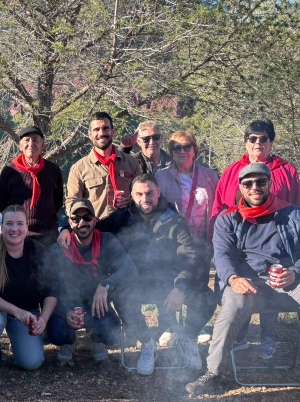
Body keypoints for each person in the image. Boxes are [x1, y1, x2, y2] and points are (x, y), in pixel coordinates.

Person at [185, 163, 300, 402]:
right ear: (240, 187)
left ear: (269, 183)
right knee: (233, 301)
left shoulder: (293, 214)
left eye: (260, 182)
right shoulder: (228, 218)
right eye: (248, 183)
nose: (255, 187)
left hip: (286, 284)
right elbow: (221, 257)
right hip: (247, 285)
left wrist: (293, 273)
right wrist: (232, 279)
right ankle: (214, 373)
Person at [212, 120, 300, 357]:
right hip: (239, 245)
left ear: (271, 142)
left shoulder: (286, 171)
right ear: (246, 142)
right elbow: (219, 207)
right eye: (253, 138)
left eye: (263, 138)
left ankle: (268, 337)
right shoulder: (232, 171)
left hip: (279, 246)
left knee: (273, 280)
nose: (258, 143)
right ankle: (239, 337)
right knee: (242, 284)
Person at [97, 174, 200, 374]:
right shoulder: (122, 217)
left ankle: (178, 337)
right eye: (140, 194)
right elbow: (93, 229)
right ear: (132, 196)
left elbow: (190, 256)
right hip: (133, 281)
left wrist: (180, 287)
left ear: (158, 193)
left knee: (202, 294)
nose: (145, 199)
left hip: (167, 282)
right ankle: (148, 343)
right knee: (122, 297)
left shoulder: (174, 220)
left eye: (150, 193)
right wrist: (66, 230)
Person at [48, 199, 138, 364]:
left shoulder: (107, 240)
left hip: (96, 303)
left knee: (112, 332)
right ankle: (67, 342)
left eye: (87, 217)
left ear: (95, 220)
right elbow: (50, 287)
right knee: (56, 332)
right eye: (76, 218)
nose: (82, 222)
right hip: (69, 303)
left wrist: (105, 285)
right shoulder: (59, 249)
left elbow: (129, 269)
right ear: (70, 222)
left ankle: (97, 340)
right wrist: (64, 311)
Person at [0, 205, 57, 371]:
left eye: (20, 224)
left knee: (32, 363)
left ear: (26, 227)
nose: (14, 229)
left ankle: (18, 342)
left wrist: (43, 319)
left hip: (25, 314)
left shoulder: (40, 252)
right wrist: (15, 310)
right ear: (2, 227)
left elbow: (51, 290)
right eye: (9, 223)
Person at [155, 131, 219, 344]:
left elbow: (217, 207)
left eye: (187, 147)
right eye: (176, 148)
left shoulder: (210, 175)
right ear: (171, 153)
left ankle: (192, 329)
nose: (182, 151)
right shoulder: (161, 176)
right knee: (169, 284)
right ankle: (169, 326)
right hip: (172, 245)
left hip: (201, 243)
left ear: (195, 150)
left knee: (198, 286)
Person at [0, 125, 64, 246]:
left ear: (43, 145)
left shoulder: (53, 170)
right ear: (20, 145)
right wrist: (18, 223)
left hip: (48, 237)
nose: (31, 143)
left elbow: (57, 202)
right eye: (26, 140)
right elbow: (1, 203)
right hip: (18, 237)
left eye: (35, 139)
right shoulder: (10, 171)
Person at [65, 111, 141, 221]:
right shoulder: (79, 168)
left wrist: (130, 200)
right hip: (96, 230)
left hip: (127, 229)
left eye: (105, 128)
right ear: (90, 134)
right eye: (96, 129)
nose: (101, 133)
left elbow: (142, 194)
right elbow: (72, 202)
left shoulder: (131, 162)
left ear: (113, 131)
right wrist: (85, 218)